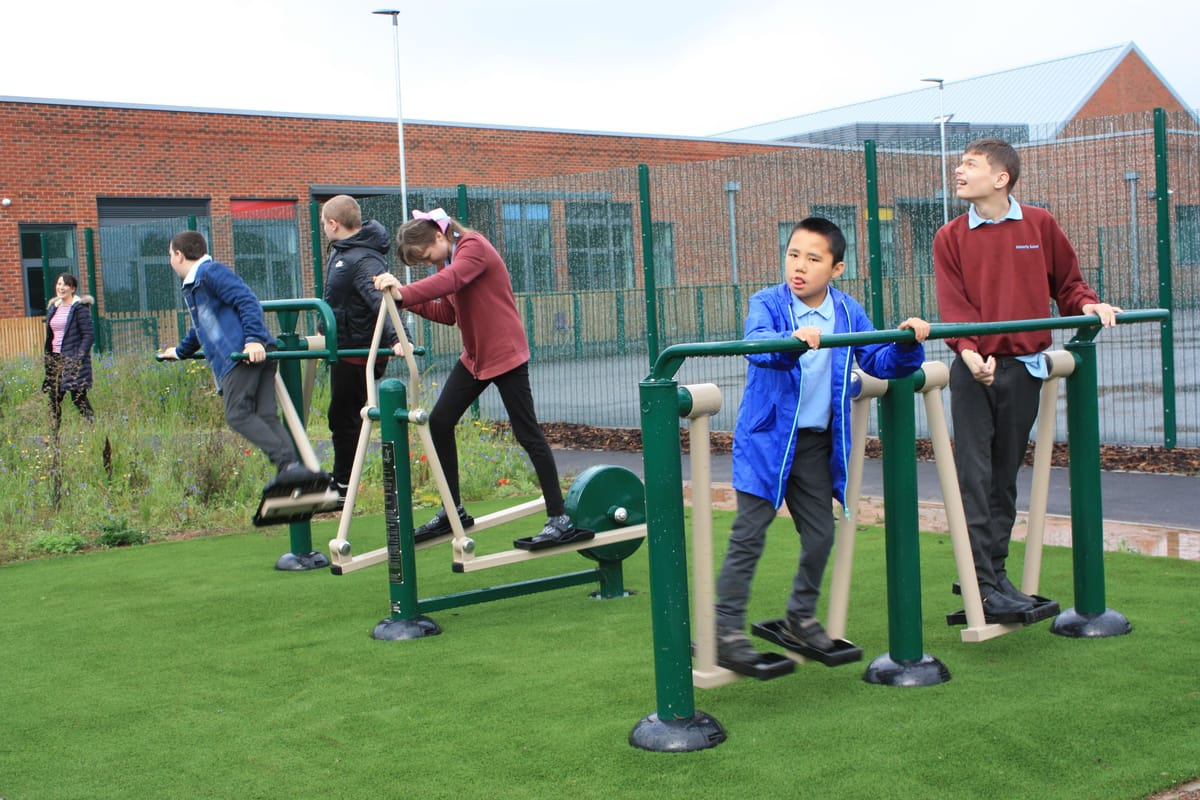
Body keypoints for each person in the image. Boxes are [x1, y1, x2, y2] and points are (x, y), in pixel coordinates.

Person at [714, 217, 930, 669]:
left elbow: (881, 360)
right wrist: (791, 342)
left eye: (814, 259)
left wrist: (908, 340)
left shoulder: (848, 312)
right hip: (768, 439)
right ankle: (724, 628)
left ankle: (799, 616)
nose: (799, 266)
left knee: (820, 535)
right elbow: (756, 346)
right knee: (750, 533)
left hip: (814, 444)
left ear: (836, 269)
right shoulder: (769, 303)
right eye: (793, 254)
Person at [933, 137, 1120, 617]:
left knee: (1003, 477)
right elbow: (955, 308)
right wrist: (970, 353)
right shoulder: (949, 235)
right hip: (973, 370)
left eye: (970, 164)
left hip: (1024, 368)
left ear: (1001, 178)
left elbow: (1068, 284)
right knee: (974, 474)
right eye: (960, 163)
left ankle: (994, 575)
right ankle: (981, 581)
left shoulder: (1039, 224)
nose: (959, 170)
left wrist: (1088, 304)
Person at [373, 208, 587, 547]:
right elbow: (446, 312)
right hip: (475, 358)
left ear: (439, 236)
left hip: (505, 355)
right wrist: (404, 302)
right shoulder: (449, 262)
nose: (431, 264)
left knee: (527, 433)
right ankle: (453, 511)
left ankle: (559, 517)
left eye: (427, 256)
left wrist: (405, 292)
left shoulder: (473, 247)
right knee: (440, 422)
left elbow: (451, 281)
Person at [159, 231, 329, 494]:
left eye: (170, 255)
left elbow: (246, 299)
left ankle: (289, 466)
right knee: (264, 415)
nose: (170, 261)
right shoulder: (196, 285)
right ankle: (291, 468)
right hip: (249, 352)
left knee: (237, 414)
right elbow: (202, 326)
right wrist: (180, 352)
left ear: (179, 255)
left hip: (242, 355)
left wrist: (252, 339)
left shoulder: (209, 273)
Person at [320, 195, 408, 509]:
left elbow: (379, 298)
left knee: (345, 418)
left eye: (323, 224)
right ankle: (342, 481)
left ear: (333, 223)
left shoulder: (361, 258)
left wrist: (400, 337)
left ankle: (344, 485)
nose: (324, 230)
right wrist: (322, 329)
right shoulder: (344, 252)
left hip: (359, 352)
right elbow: (339, 301)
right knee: (342, 416)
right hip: (345, 345)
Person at [43, 273, 96, 430]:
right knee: (53, 399)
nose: (61, 287)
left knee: (78, 399)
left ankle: (94, 428)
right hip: (55, 360)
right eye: (59, 284)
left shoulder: (80, 308)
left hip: (73, 360)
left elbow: (88, 335)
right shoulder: (54, 308)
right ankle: (54, 436)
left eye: (65, 285)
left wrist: (79, 356)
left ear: (73, 288)